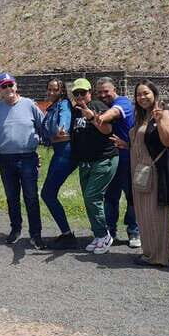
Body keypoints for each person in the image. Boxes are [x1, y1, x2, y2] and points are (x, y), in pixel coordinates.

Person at [0, 73, 47, 249]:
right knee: (12, 197)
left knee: (31, 197)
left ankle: (36, 234)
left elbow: (42, 127)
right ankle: (15, 229)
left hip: (27, 158)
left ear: (16, 86)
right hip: (6, 159)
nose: (8, 89)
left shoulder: (29, 105)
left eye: (10, 84)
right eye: (4, 86)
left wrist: (37, 149)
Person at [127, 81, 169, 267]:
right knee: (143, 214)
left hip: (154, 171)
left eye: (146, 93)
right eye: (139, 95)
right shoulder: (142, 117)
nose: (142, 97)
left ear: (155, 94)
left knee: (156, 214)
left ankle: (158, 256)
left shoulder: (163, 114)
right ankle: (148, 253)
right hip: (140, 171)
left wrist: (158, 121)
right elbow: (143, 142)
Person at [69, 78, 118, 255]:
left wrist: (91, 117)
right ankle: (98, 235)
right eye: (76, 93)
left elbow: (107, 130)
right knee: (88, 199)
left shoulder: (97, 106)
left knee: (92, 196)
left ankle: (104, 234)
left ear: (90, 93)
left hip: (103, 159)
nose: (80, 96)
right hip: (86, 162)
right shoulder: (75, 111)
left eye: (83, 92)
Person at [95, 77, 140, 248]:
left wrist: (100, 118)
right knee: (110, 198)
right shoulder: (99, 104)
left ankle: (134, 231)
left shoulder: (123, 102)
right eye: (99, 92)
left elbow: (115, 112)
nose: (103, 95)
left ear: (114, 89)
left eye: (106, 91)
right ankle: (111, 232)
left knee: (132, 197)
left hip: (128, 158)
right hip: (111, 160)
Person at [40, 78, 78, 249]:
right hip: (59, 152)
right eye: (49, 89)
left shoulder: (63, 105)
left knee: (48, 193)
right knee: (48, 193)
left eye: (55, 90)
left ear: (62, 91)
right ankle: (66, 233)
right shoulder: (52, 107)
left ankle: (67, 235)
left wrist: (61, 129)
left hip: (66, 153)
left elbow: (64, 123)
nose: (51, 92)